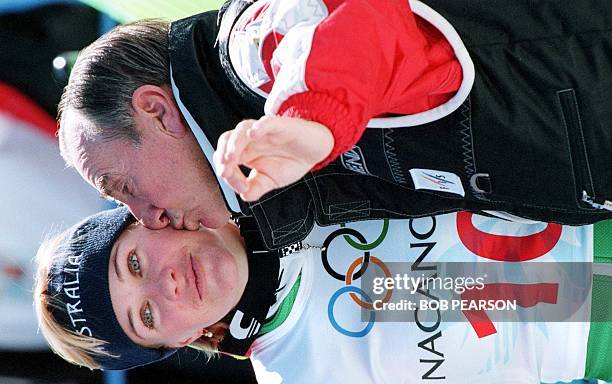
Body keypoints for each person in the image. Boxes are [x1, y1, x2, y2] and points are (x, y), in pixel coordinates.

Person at [57, 0, 612, 251]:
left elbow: (356, 21)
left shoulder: (250, 49)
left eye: (122, 187)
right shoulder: (284, 187)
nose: (147, 218)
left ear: (155, 109)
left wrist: (314, 118)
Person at [34, 206, 611, 384]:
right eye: (146, 315)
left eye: (132, 262)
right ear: (178, 341)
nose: (165, 283)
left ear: (148, 219)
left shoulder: (273, 161)